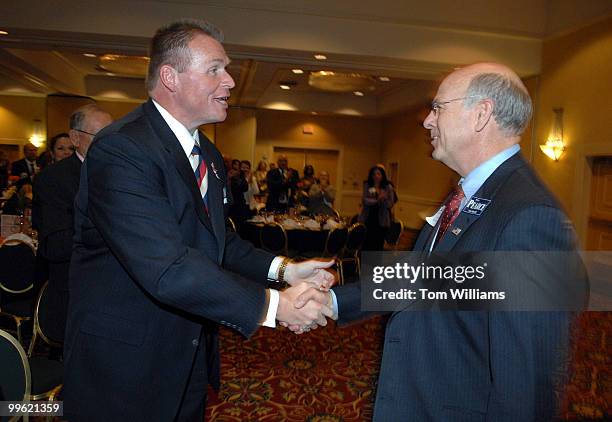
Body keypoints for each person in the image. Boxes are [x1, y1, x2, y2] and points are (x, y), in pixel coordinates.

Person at [62, 20, 334, 422]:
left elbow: (217, 241)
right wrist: (275, 306)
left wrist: (285, 271)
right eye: (215, 69)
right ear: (170, 77)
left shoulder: (205, 152)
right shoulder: (122, 149)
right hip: (124, 363)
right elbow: (167, 265)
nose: (229, 81)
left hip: (187, 354)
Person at [294, 62, 588, 421]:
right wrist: (334, 300)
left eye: (439, 108)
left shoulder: (528, 215)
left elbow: (524, 381)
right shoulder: (468, 193)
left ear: (481, 114)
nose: (427, 121)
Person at [32, 104, 113, 344]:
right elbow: (55, 246)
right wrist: (112, 227)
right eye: (100, 136)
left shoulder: (122, 172)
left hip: (119, 295)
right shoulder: (54, 179)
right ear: (76, 138)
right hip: (79, 296)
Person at [359, 165, 395, 250]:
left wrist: (384, 198)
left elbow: (390, 204)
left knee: (378, 243)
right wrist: (378, 199)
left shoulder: (388, 187)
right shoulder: (368, 185)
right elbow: (365, 200)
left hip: (382, 219)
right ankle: (365, 262)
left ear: (382, 175)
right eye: (374, 174)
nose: (376, 176)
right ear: (371, 176)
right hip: (368, 217)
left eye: (378, 174)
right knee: (366, 242)